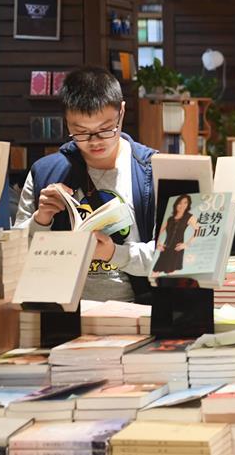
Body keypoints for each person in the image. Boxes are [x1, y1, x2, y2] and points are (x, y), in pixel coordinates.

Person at [15, 67, 158, 303]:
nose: (94, 142)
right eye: (80, 132)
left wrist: (114, 253)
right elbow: (17, 257)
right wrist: (41, 220)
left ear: (121, 111)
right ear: (67, 121)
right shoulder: (45, 172)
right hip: (64, 314)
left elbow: (174, 256)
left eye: (105, 129)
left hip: (139, 311)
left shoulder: (151, 171)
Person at [152, 194, 198, 275]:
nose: (182, 205)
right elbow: (159, 231)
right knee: (154, 273)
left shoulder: (189, 217)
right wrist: (158, 244)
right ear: (176, 204)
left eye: (185, 203)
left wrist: (186, 244)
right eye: (180, 203)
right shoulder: (170, 219)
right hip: (165, 249)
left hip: (177, 250)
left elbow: (198, 231)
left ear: (188, 205)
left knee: (171, 275)